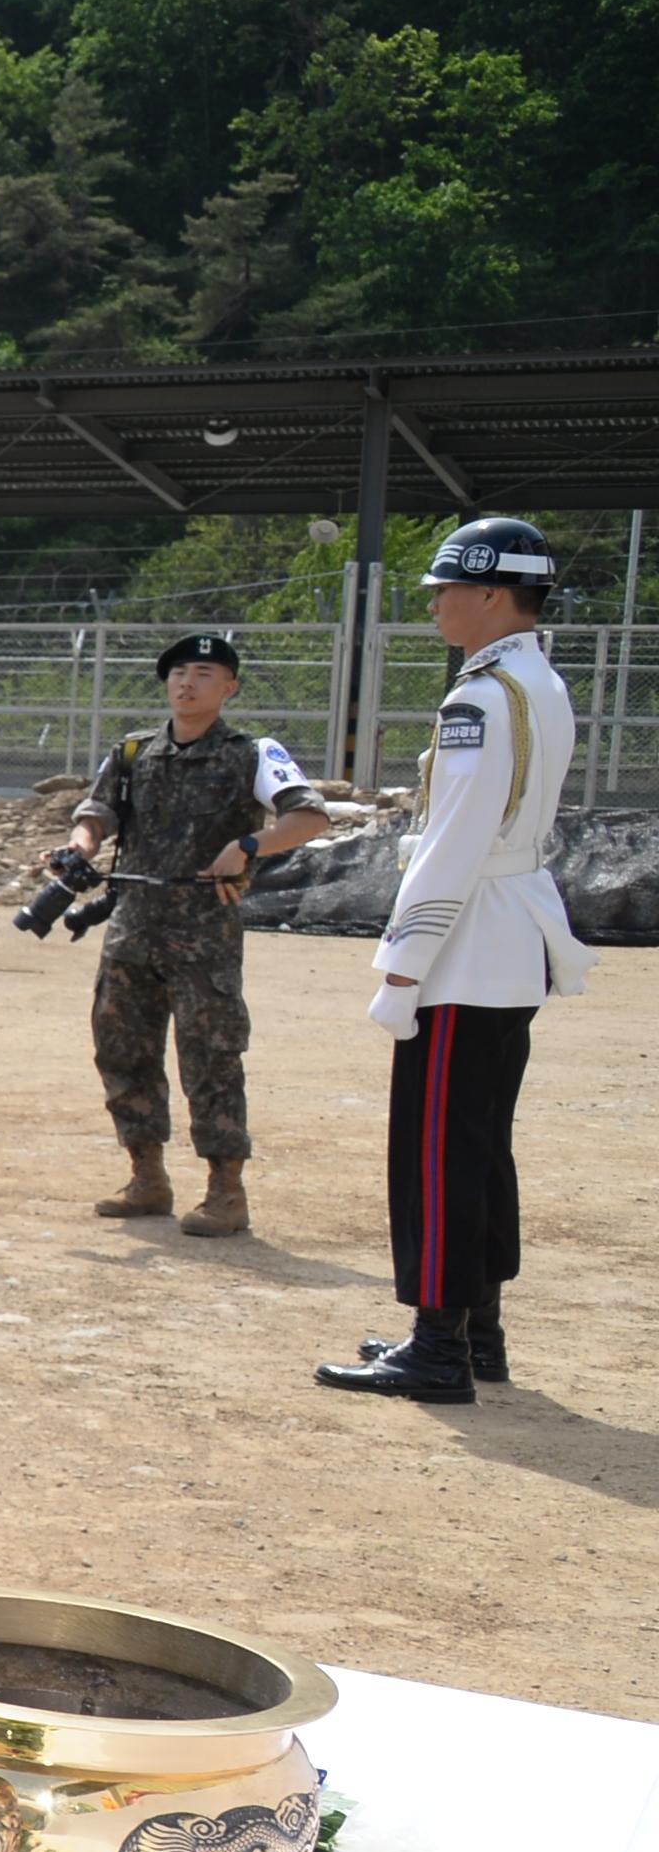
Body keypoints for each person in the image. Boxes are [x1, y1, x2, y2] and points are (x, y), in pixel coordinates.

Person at [319, 517, 587, 1403]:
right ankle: (479, 1334)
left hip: (467, 945)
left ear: (491, 595)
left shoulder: (478, 698)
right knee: (480, 1145)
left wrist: (403, 965)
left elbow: (453, 843)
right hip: (512, 940)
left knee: (435, 1150)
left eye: (446, 589)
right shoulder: (539, 683)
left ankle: (437, 1346)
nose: (436, 604)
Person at [62, 630, 329, 1237]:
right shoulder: (134, 752)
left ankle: (225, 1190)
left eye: (205, 674)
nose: (188, 682)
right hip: (132, 928)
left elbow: (308, 815)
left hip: (204, 935)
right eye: (179, 672)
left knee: (211, 1059)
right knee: (122, 1050)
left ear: (229, 687)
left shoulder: (251, 753)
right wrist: (78, 847)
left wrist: (248, 846)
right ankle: (147, 1177)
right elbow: (97, 813)